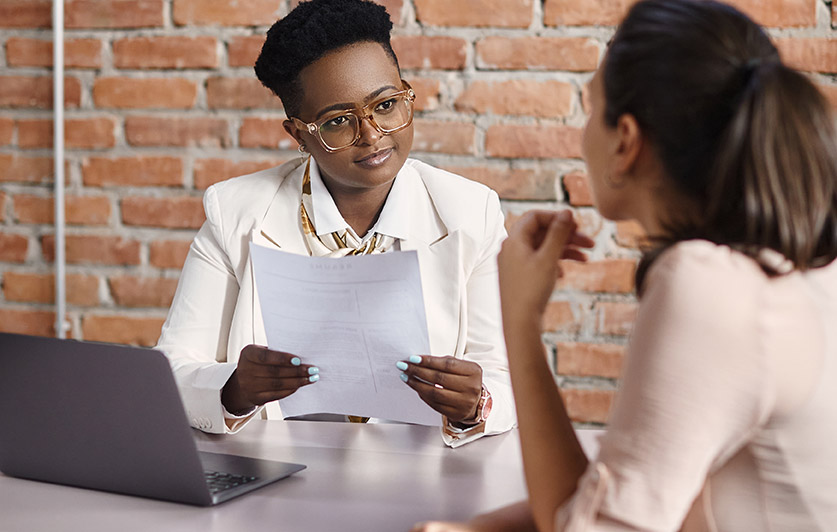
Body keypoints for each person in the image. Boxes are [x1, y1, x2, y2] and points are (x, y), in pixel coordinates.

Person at [414, 0, 837, 529]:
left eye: (592, 109)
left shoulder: (707, 284)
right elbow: (641, 484)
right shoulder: (791, 262)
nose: (583, 131)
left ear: (626, 142)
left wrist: (519, 321)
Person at [155, 0, 515, 448]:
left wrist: (476, 402)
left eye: (385, 105)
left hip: (422, 476)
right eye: (338, 121)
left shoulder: (469, 211)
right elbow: (171, 370)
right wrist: (232, 389)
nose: (372, 134)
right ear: (299, 134)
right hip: (280, 472)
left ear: (406, 94)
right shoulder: (237, 212)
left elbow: (505, 377)